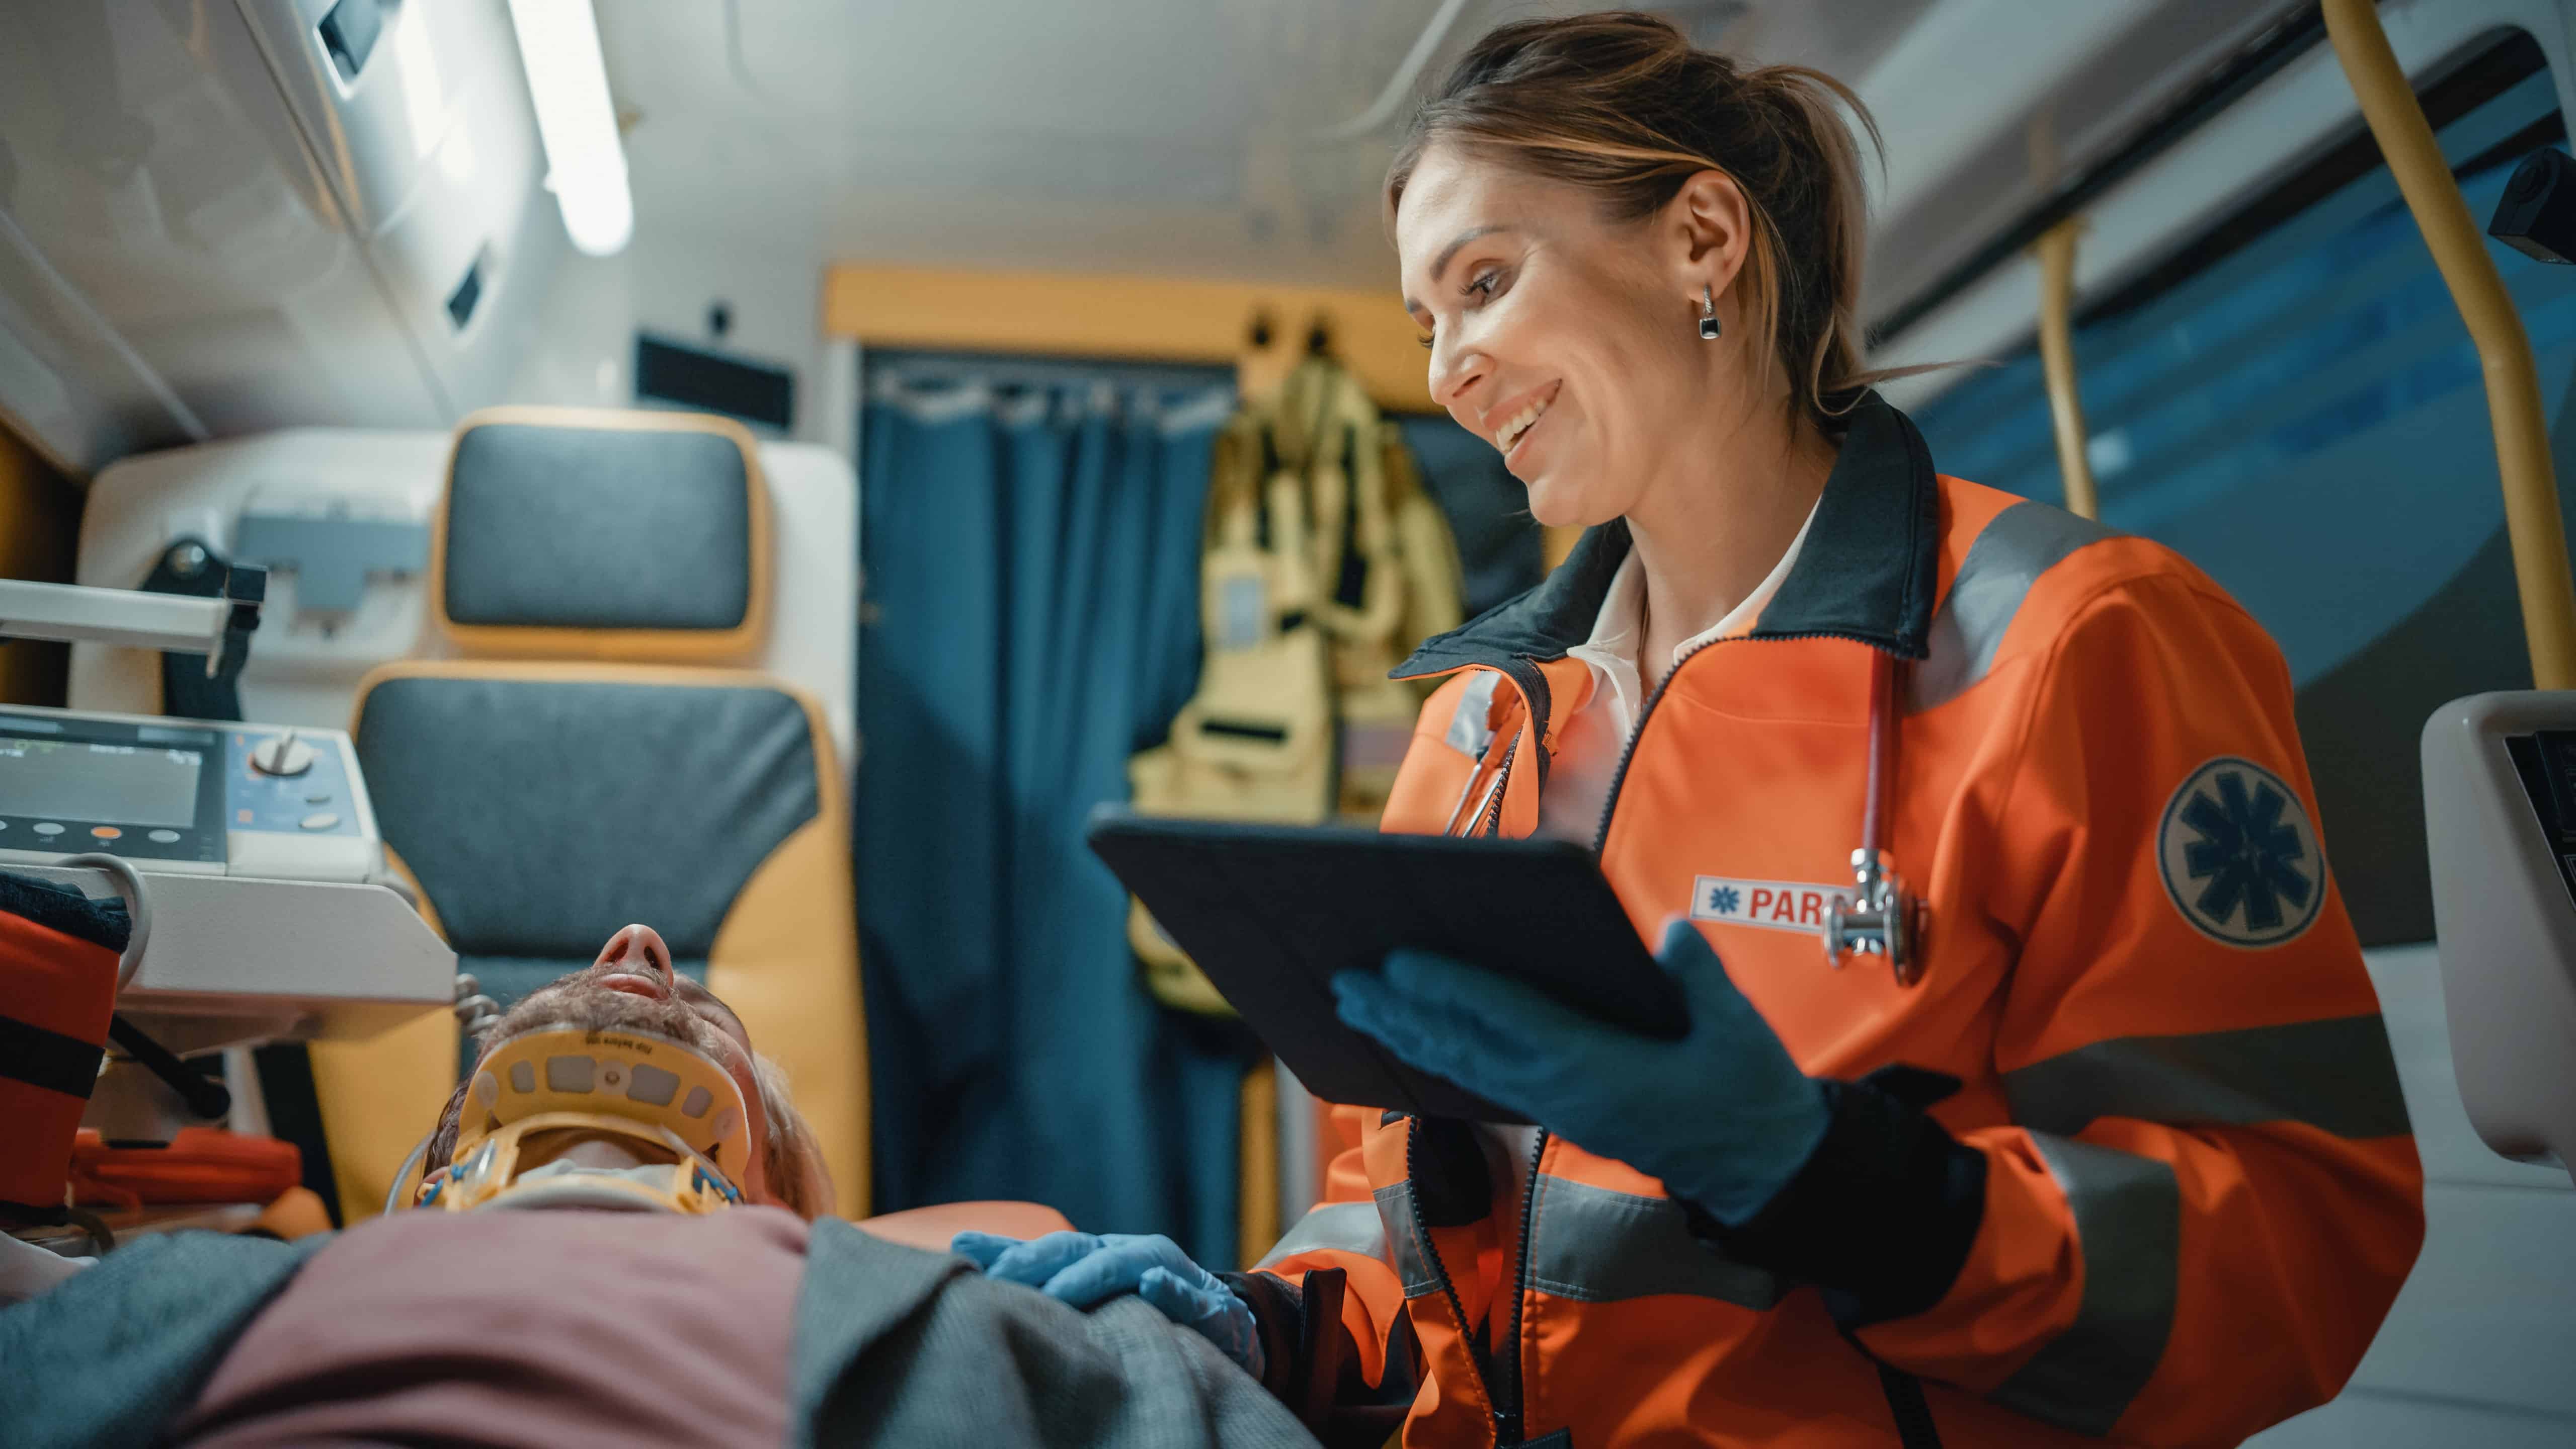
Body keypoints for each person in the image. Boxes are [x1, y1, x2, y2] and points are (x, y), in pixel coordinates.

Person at [962, 14, 2426, 1448]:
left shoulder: (2077, 642)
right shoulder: (1481, 729)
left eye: (1484, 282)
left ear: (1702, 239)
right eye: (1426, 322)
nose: (1447, 370)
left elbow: (2294, 1257)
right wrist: (1270, 1324)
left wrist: (1819, 1177)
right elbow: (1412, 1227)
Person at [0, 922, 1314, 1449]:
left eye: (712, 1020)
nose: (638, 946)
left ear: (784, 1200)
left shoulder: (977, 1311)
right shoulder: (191, 1285)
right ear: (444, 1157)